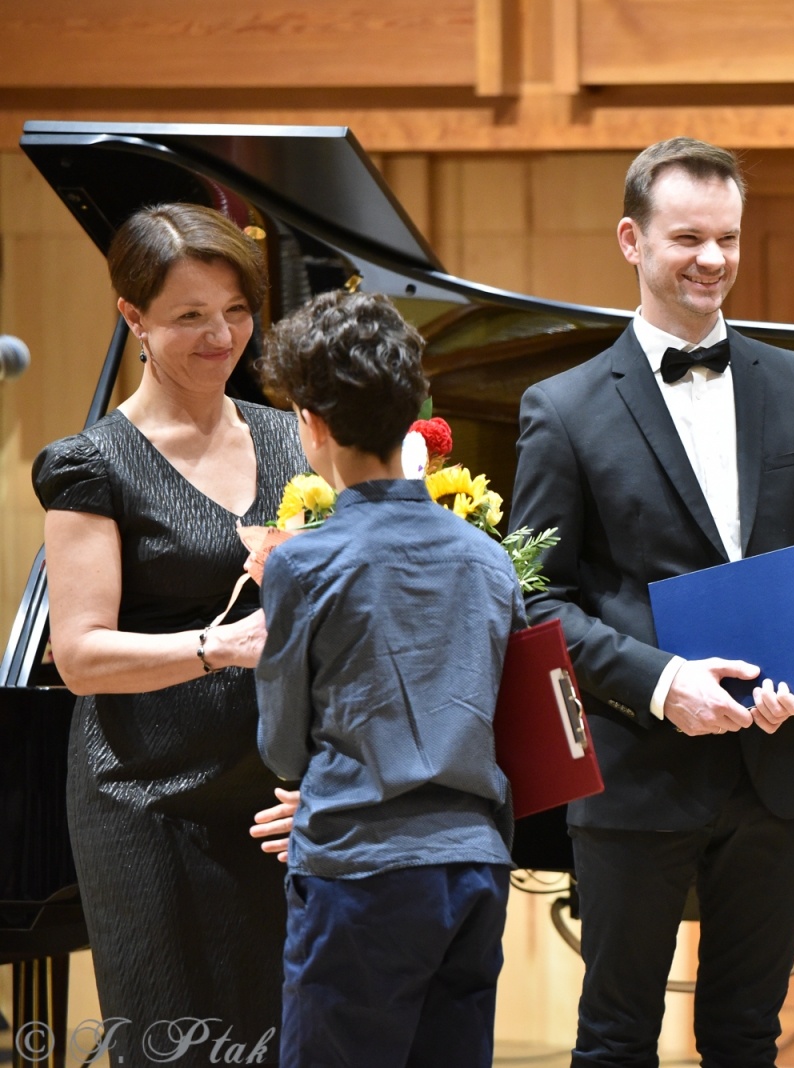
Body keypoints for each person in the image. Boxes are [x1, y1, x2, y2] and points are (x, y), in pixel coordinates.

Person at [510, 137, 794, 1067]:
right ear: (632, 241)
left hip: (781, 763)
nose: (713, 260)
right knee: (617, 1040)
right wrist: (663, 680)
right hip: (639, 770)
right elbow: (533, 602)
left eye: (728, 238)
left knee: (747, 1037)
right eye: (688, 238)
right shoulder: (562, 407)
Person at [32, 203, 302, 1063]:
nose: (222, 335)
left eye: (235, 310)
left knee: (283, 1035)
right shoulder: (93, 463)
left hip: (273, 797)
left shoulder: (290, 438)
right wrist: (217, 647)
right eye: (190, 315)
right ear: (133, 318)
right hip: (147, 801)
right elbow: (79, 656)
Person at [250, 290, 523, 1068]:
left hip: (360, 870)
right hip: (474, 866)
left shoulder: (304, 560)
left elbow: (283, 746)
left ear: (314, 422)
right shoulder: (487, 558)